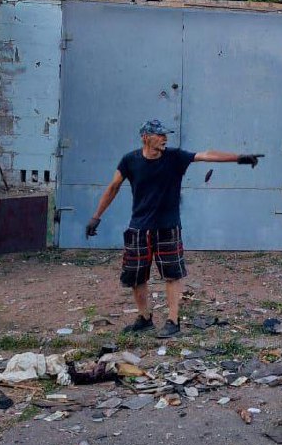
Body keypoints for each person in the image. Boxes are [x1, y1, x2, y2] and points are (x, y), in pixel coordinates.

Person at [85, 119, 260, 338]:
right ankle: (144, 318)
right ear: (145, 137)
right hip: (139, 227)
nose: (164, 138)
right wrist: (96, 216)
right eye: (159, 135)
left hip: (168, 227)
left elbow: (206, 155)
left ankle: (173, 321)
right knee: (137, 275)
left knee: (172, 275)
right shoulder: (130, 160)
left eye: (165, 134)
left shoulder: (175, 157)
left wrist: (239, 158)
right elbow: (113, 187)